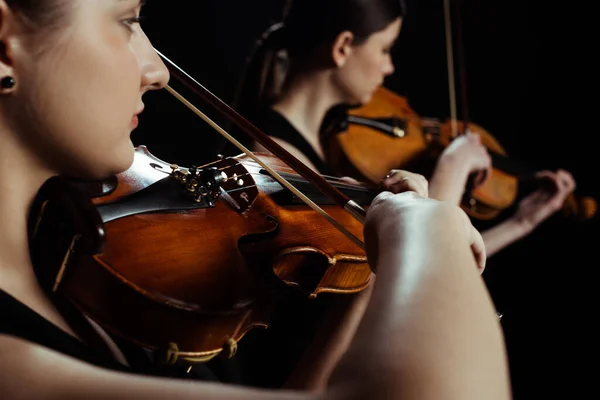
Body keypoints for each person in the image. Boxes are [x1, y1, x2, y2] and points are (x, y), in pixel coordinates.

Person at [0, 0, 510, 398]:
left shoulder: (77, 263)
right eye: (127, 20)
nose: (157, 71)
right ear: (5, 45)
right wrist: (423, 226)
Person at [232, 0, 576, 260]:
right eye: (385, 49)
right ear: (342, 48)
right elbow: (403, 280)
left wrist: (521, 223)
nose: (389, 66)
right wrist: (451, 171)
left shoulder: (323, 146)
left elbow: (443, 262)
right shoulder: (274, 159)